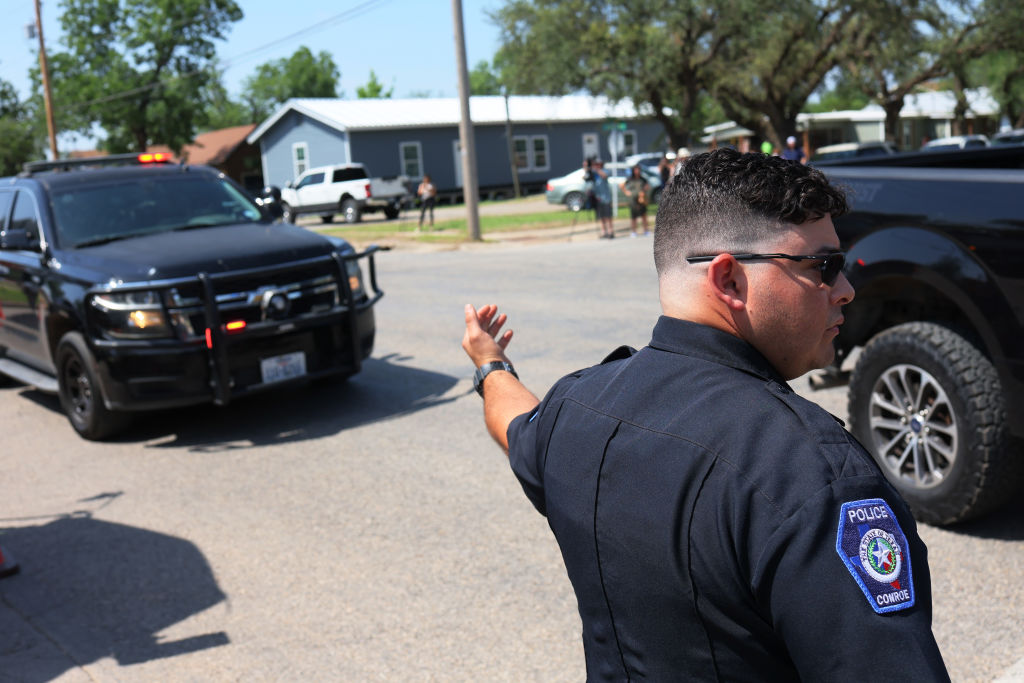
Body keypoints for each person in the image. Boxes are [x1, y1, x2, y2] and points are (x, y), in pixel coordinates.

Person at [461, 148, 948, 680]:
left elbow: (514, 423)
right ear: (729, 280)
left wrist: (490, 363)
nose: (847, 290)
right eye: (824, 267)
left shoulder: (574, 409)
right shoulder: (813, 476)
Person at [621, 164, 650, 237]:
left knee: (644, 215)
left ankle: (646, 230)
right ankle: (633, 231)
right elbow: (621, 185)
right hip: (633, 200)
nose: (637, 171)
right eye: (635, 170)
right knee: (634, 216)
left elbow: (647, 186)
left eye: (638, 170)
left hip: (641, 199)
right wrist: (626, 192)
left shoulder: (642, 179)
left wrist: (643, 191)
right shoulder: (630, 179)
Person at [590, 159, 614, 239]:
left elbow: (604, 176)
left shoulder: (605, 171)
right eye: (595, 164)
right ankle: (604, 232)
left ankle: (611, 231)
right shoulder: (593, 174)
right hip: (598, 198)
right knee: (601, 216)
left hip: (606, 198)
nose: (596, 165)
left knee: (608, 216)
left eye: (597, 164)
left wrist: (597, 170)